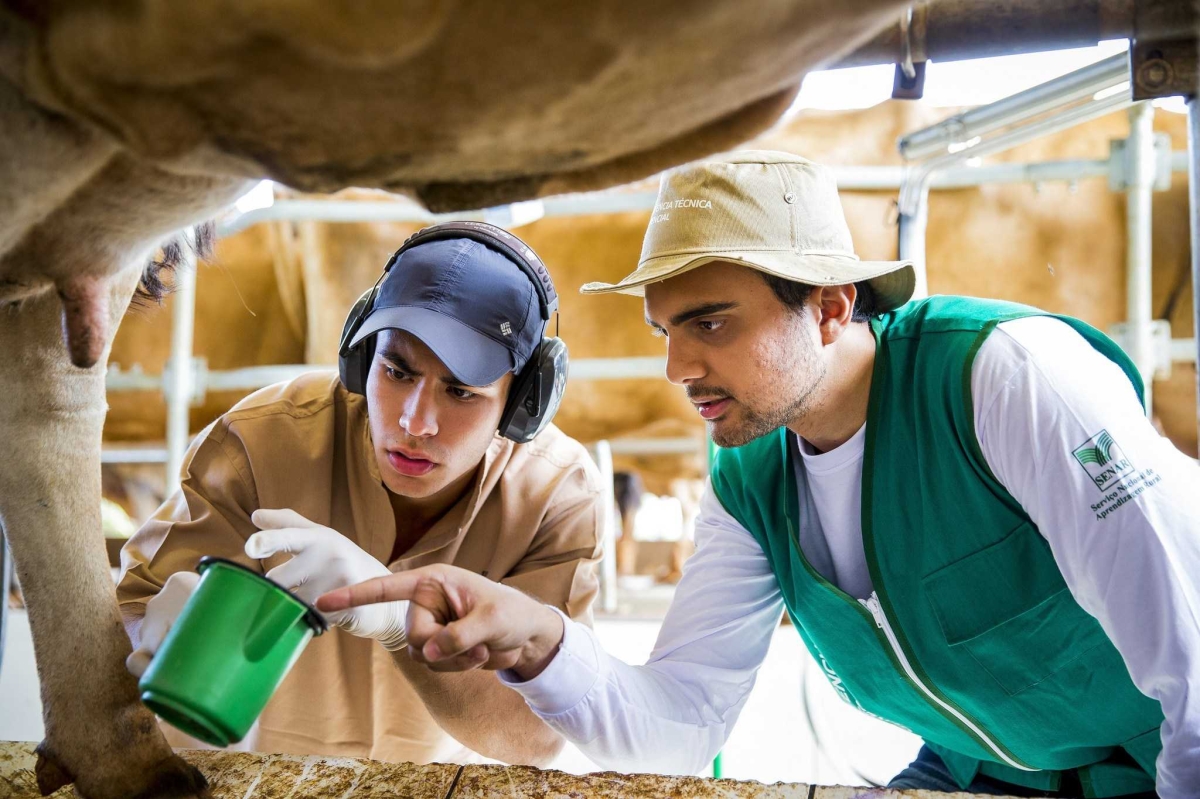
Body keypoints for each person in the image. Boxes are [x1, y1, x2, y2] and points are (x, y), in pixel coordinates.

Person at [320, 152, 1200, 798]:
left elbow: (1194, 665)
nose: (676, 367)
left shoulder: (1001, 378)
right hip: (987, 773)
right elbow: (679, 725)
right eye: (666, 329)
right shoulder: (751, 473)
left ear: (829, 307)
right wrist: (537, 640)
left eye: (710, 323)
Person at [117, 222, 603, 766]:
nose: (415, 422)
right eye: (395, 370)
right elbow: (130, 621)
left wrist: (401, 614)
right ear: (359, 357)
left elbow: (533, 738)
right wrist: (148, 626)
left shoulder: (557, 497)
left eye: (461, 391)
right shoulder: (256, 444)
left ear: (522, 406)